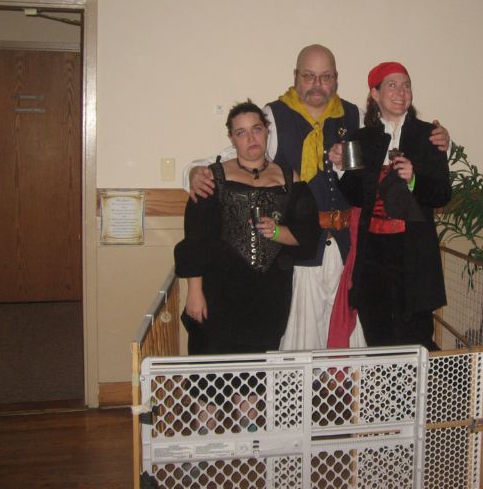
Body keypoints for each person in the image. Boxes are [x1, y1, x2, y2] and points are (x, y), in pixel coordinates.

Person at [183, 45, 451, 350]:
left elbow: (395, 139)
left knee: (353, 334)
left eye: (325, 77)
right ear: (296, 76)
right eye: (309, 76)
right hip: (301, 246)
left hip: (350, 246)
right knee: (302, 338)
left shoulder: (354, 115)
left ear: (335, 78)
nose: (317, 84)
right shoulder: (274, 115)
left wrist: (445, 141)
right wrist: (194, 171)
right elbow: (244, 150)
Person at [174, 101, 319, 355]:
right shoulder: (211, 177)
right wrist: (194, 292)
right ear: (232, 139)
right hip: (219, 291)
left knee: (257, 371)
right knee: (212, 366)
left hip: (269, 294)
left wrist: (277, 232)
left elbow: (308, 235)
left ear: (267, 131)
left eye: (256, 129)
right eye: (241, 132)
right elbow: (195, 239)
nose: (251, 138)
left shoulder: (290, 178)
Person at [329, 62, 451, 350]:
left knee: (417, 338)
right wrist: (340, 168)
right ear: (375, 94)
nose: (401, 92)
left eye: (406, 85)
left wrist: (414, 180)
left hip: (414, 253)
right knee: (379, 335)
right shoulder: (361, 138)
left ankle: (421, 382)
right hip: (373, 254)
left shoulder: (430, 135)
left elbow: (442, 194)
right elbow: (357, 197)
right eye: (392, 85)